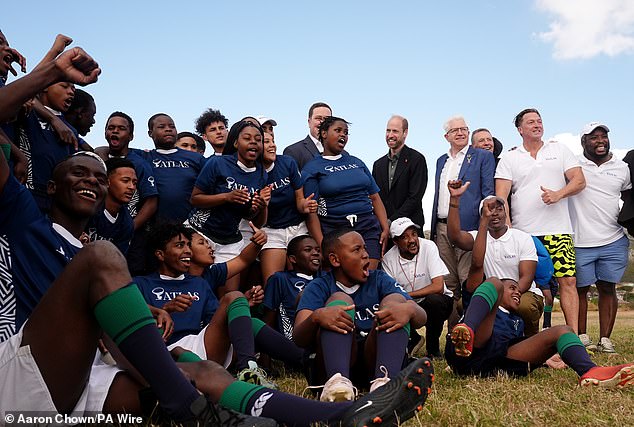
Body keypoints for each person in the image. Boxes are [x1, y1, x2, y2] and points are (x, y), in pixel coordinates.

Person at [0, 46, 434, 426]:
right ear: (50, 188)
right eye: (79, 172)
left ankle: (337, 416)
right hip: (29, 384)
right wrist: (49, 74)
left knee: (197, 368)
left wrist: (147, 314)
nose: (92, 181)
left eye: (98, 175)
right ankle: (192, 409)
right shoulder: (26, 222)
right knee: (101, 259)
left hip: (87, 377)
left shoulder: (108, 239)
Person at [445, 201, 634, 388]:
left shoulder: (515, 320)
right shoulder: (479, 302)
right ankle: (466, 331)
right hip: (468, 354)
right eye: (510, 288)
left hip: (496, 364)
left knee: (563, 331)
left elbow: (517, 348)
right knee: (493, 280)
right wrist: (479, 218)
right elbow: (477, 264)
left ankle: (590, 371)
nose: (516, 291)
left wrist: (545, 357)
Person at [294, 229, 428, 401]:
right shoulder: (319, 286)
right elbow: (298, 337)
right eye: (357, 250)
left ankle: (386, 386)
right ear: (335, 260)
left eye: (365, 248)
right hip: (331, 365)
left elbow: (421, 317)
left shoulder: (379, 279)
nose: (365, 255)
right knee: (339, 299)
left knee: (395, 301)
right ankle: (338, 385)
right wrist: (317, 317)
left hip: (375, 360)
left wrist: (409, 310)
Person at [495, 108, 586, 332]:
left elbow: (580, 181)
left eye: (539, 121)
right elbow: (501, 196)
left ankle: (571, 336)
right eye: (531, 122)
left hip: (559, 231)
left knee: (568, 282)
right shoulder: (510, 157)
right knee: (523, 285)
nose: (537, 125)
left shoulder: (560, 149)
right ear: (520, 129)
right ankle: (524, 336)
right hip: (525, 234)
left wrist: (558, 194)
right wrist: (509, 230)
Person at [446, 181, 545, 337]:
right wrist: (454, 201)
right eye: (489, 210)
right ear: (482, 216)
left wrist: (505, 296)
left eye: (499, 209)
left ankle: (531, 338)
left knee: (525, 306)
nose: (495, 213)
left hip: (523, 291)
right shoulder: (478, 237)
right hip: (492, 292)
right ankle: (489, 340)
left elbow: (526, 277)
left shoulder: (522, 238)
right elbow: (455, 237)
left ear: (506, 213)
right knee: (462, 304)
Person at [188, 119, 270, 293]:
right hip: (200, 232)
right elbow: (195, 199)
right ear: (235, 142)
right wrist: (226, 197)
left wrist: (262, 206)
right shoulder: (218, 163)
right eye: (247, 138)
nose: (254, 142)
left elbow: (255, 220)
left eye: (258, 139)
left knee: (230, 296)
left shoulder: (261, 174)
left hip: (230, 240)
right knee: (194, 289)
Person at [569, 122, 631, 353]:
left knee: (607, 288)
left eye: (603, 136)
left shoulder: (622, 167)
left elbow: (628, 197)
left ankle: (605, 340)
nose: (600, 141)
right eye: (594, 137)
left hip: (613, 239)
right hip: (579, 241)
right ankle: (582, 337)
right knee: (581, 289)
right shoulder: (574, 164)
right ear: (584, 141)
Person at [430, 115, 495, 328]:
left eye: (464, 129)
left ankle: (471, 330)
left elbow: (487, 193)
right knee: (448, 283)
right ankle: (452, 335)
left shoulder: (482, 157)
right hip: (441, 227)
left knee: (469, 280)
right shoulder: (441, 160)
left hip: (469, 227)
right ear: (446, 136)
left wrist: (483, 227)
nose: (460, 133)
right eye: (455, 130)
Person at [303, 116, 390, 270]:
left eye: (346, 132)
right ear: (324, 133)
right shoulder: (312, 168)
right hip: (335, 230)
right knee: (344, 283)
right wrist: (323, 244)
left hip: (367, 227)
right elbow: (311, 212)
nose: (343, 135)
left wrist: (385, 227)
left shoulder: (356, 162)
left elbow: (375, 197)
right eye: (338, 130)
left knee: (367, 276)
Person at [382, 217, 453, 358]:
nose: (412, 240)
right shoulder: (388, 259)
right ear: (395, 242)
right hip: (407, 305)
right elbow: (389, 295)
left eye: (414, 234)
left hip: (433, 302)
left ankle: (433, 349)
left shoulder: (428, 246)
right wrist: (408, 301)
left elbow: (438, 286)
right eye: (405, 237)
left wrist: (408, 295)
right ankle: (412, 339)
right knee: (386, 306)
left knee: (435, 301)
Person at [260, 131, 317, 283]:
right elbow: (258, 220)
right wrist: (263, 203)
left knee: (303, 279)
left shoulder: (287, 163)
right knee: (273, 283)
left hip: (297, 227)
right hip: (271, 230)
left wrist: (305, 205)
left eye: (273, 140)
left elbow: (300, 201)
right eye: (266, 142)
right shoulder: (253, 172)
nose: (272, 145)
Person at [136, 113, 206, 225]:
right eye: (161, 127)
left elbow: (212, 186)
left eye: (172, 126)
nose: (168, 129)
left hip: (190, 227)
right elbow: (112, 151)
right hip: (156, 229)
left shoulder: (196, 158)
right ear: (150, 133)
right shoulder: (143, 157)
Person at [372, 115, 428, 230]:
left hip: (410, 228)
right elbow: (376, 198)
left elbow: (414, 198)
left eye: (395, 131)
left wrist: (391, 221)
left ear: (405, 133)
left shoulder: (417, 159)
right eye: (388, 130)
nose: (390, 135)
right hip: (384, 229)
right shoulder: (378, 165)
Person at [263, 234, 321, 339]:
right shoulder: (280, 279)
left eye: (318, 250)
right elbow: (269, 315)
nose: (315, 253)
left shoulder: (324, 278)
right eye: (308, 250)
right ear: (293, 259)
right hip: (292, 341)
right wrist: (265, 353)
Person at [85, 157, 136, 254]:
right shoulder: (89, 207)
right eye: (125, 181)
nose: (131, 187)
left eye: (134, 182)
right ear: (107, 182)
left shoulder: (127, 223)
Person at [283, 102, 331, 170]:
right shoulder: (293, 151)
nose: (322, 122)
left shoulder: (343, 154)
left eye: (326, 119)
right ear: (309, 122)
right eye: (318, 118)